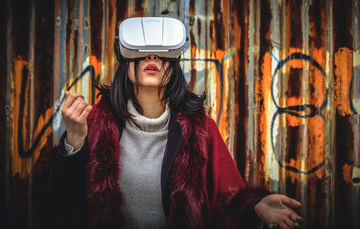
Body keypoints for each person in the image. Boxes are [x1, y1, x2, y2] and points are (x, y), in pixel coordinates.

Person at [32, 17, 302, 229]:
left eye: (162, 54)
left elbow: (226, 196)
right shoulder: (95, 125)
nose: (152, 58)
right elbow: (62, 204)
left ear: (174, 65)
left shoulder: (200, 130)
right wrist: (74, 144)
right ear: (125, 62)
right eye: (143, 52)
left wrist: (254, 204)